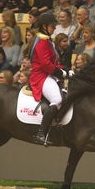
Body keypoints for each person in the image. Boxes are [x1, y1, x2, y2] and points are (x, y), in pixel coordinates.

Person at [25, 13, 66, 145]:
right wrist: (61, 73)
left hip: (47, 74)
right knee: (57, 99)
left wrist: (65, 70)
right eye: (53, 26)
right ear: (44, 26)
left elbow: (52, 62)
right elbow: (45, 64)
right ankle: (41, 134)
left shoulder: (46, 39)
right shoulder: (42, 41)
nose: (54, 28)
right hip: (41, 76)